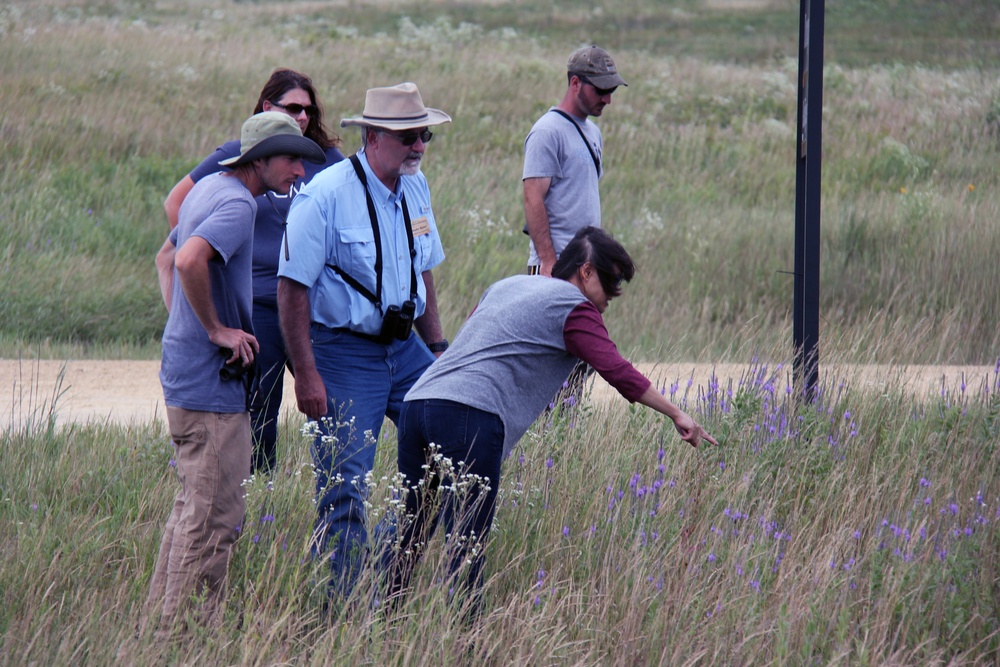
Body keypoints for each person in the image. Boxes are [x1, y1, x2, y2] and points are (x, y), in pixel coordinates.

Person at [383, 226, 717, 614]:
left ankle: (386, 629)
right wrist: (677, 413)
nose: (612, 296)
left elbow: (473, 338)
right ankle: (464, 645)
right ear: (586, 272)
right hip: (470, 415)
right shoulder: (575, 308)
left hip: (418, 403)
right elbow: (617, 371)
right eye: (610, 283)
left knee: (410, 534)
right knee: (467, 546)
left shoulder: (506, 285)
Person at [144, 112, 325, 636]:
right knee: (214, 519)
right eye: (291, 159)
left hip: (189, 378)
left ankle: (161, 626)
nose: (299, 171)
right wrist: (217, 330)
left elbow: (169, 250)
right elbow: (187, 261)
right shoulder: (238, 203)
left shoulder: (208, 189)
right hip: (209, 386)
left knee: (190, 512)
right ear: (260, 160)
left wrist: (192, 325)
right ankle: (180, 636)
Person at [277, 82, 451, 594]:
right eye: (407, 136)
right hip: (343, 352)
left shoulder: (415, 187)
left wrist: (437, 351)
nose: (419, 145)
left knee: (451, 454)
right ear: (373, 137)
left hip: (406, 349)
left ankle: (388, 578)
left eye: (423, 135)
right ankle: (347, 612)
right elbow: (291, 292)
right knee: (345, 488)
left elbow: (424, 274)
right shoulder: (324, 197)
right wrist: (307, 374)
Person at [159, 68, 345, 474]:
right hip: (259, 300)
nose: (303, 118)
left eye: (308, 110)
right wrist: (213, 270)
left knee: (334, 403)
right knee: (259, 410)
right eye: (293, 108)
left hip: (309, 299)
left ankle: (336, 483)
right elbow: (180, 210)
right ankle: (260, 491)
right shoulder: (237, 167)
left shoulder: (325, 160)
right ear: (267, 108)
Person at [523, 45, 627, 277]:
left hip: (586, 268)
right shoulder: (547, 131)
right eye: (601, 89)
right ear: (575, 84)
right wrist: (549, 262)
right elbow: (532, 198)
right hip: (557, 267)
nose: (608, 99)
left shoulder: (593, 132)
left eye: (612, 90)